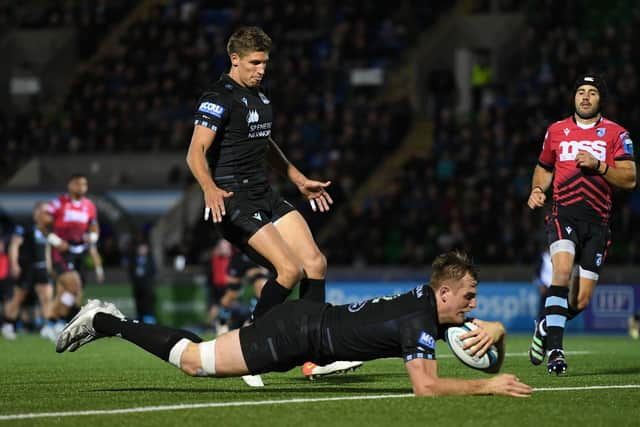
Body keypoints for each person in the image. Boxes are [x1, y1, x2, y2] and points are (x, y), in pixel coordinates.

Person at [56, 251, 532, 397]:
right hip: (293, 334)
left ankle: (109, 322)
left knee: (199, 355)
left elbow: (466, 339)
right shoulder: (419, 318)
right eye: (469, 297)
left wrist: (501, 331)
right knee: (194, 362)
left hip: (305, 327)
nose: (472, 306)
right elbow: (426, 388)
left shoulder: (424, 302)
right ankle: (105, 320)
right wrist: (486, 388)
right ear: (445, 292)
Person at [185, 26, 360, 377]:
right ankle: (249, 349)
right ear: (235, 59)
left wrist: (297, 179)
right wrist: (209, 187)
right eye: (254, 62)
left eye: (264, 62)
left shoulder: (260, 97)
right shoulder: (219, 97)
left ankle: (314, 358)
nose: (261, 69)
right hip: (233, 198)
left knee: (315, 263)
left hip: (265, 193)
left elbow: (264, 143)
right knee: (289, 270)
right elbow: (195, 151)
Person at [527, 74, 636, 375]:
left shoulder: (617, 134)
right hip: (564, 216)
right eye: (580, 92)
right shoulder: (556, 131)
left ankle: (545, 325)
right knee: (561, 271)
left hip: (598, 224)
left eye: (592, 92)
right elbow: (543, 167)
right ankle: (556, 353)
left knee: (582, 300)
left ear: (601, 99)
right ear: (574, 97)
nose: (585, 97)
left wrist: (599, 166)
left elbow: (630, 178)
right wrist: (538, 189)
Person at [45, 173, 104, 331]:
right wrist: (55, 240)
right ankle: (54, 322)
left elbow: (94, 226)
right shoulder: (59, 203)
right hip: (62, 252)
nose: (82, 187)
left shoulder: (89, 206)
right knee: (72, 286)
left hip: (79, 253)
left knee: (73, 292)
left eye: (84, 184)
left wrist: (93, 235)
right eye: (78, 184)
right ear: (70, 185)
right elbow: (43, 221)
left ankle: (54, 322)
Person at [1, 202, 55, 341]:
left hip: (42, 267)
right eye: (45, 212)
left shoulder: (49, 230)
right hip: (27, 268)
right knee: (19, 297)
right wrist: (14, 264)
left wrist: (50, 266)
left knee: (46, 297)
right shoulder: (24, 227)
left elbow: (48, 249)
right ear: (37, 213)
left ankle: (48, 327)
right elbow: (14, 245)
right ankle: (8, 324)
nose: (48, 215)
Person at [127, 237, 157, 324]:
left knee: (148, 306)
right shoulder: (134, 259)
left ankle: (150, 323)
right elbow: (131, 271)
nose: (141, 250)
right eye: (140, 248)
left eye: (143, 248)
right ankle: (140, 323)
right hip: (137, 287)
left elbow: (153, 271)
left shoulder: (150, 259)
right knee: (139, 306)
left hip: (147, 287)